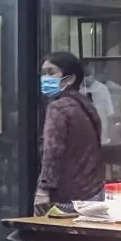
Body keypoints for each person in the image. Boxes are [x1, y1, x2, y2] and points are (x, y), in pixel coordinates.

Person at [34, 51, 105, 210]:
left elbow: (52, 151)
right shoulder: (86, 105)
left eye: (51, 72)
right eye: (43, 73)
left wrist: (43, 189)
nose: (45, 78)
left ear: (70, 79)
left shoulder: (58, 108)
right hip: (94, 191)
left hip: (67, 196)